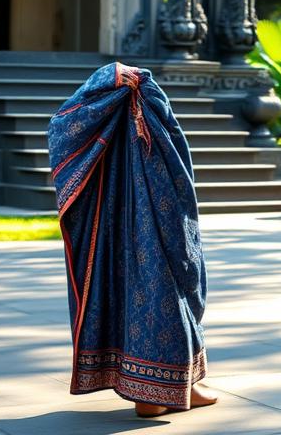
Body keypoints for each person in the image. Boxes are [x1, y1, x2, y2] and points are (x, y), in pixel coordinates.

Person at [48, 62, 218, 418]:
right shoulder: (136, 121)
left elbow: (63, 123)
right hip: (139, 226)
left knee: (158, 288)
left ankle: (180, 383)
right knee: (163, 289)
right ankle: (155, 394)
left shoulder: (131, 114)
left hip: (136, 222)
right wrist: (113, 77)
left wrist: (110, 79)